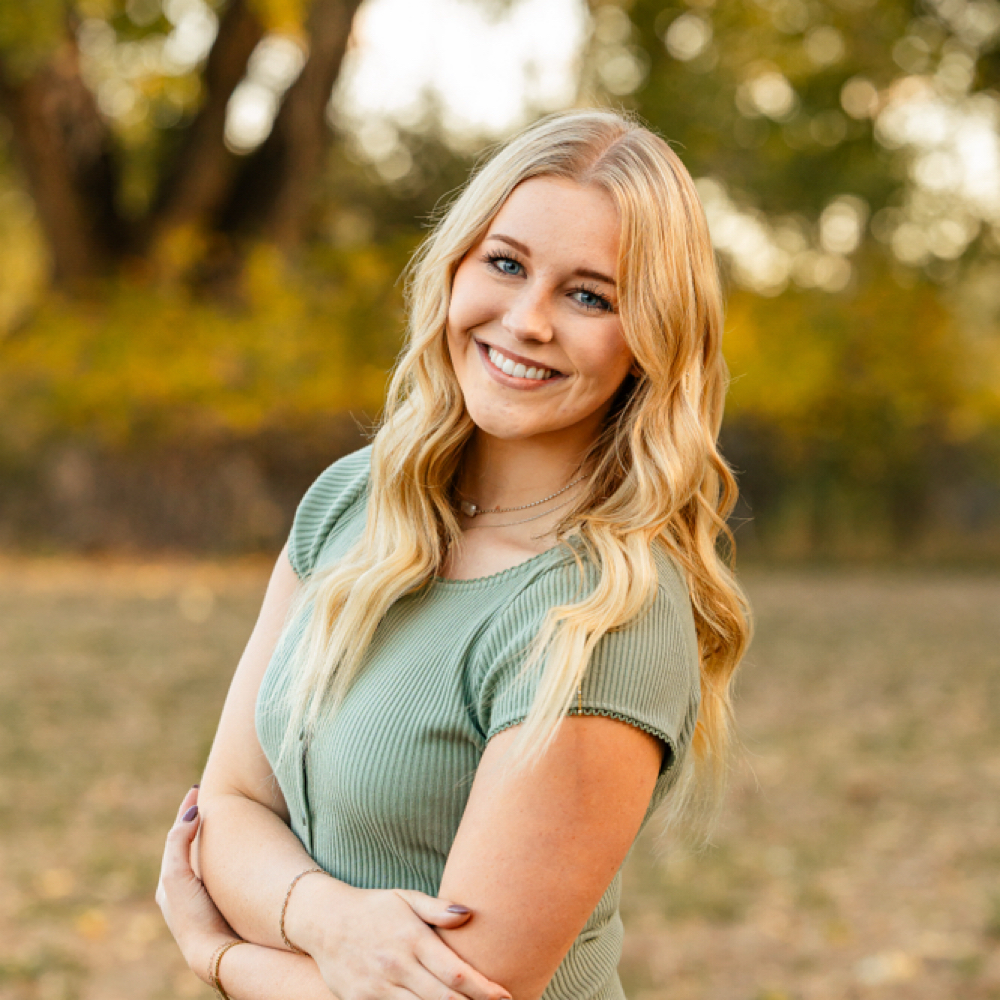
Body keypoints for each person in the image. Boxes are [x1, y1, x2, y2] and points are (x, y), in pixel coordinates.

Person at [156, 107, 752, 1000]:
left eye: (589, 295)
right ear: (456, 266)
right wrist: (325, 918)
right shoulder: (352, 499)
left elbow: (461, 996)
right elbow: (230, 808)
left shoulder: (601, 618)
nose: (526, 319)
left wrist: (221, 954)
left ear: (650, 342)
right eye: (505, 264)